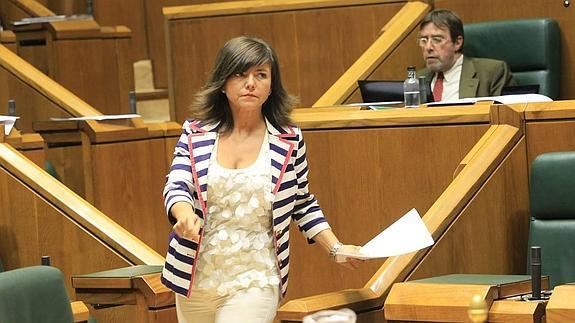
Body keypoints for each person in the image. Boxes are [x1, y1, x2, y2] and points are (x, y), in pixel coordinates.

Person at [161, 36, 363, 323]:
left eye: (261, 75)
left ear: (271, 86)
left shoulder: (288, 139)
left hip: (256, 276)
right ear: (223, 82)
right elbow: (177, 184)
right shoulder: (196, 133)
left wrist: (336, 248)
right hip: (196, 277)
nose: (251, 83)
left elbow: (302, 203)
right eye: (241, 74)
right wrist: (183, 215)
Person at [417, 9, 516, 101]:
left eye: (437, 39)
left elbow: (505, 115)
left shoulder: (492, 72)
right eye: (423, 40)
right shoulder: (417, 79)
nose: (428, 47)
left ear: (457, 43)